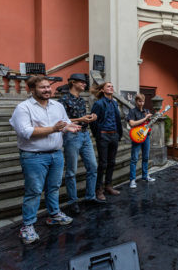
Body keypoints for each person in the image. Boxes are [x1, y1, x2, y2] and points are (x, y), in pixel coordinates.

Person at [10, 76, 80, 244]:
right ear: (32, 90)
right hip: (33, 156)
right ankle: (27, 226)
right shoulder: (23, 108)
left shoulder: (58, 105)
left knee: (54, 187)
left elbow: (66, 123)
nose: (47, 90)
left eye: (48, 87)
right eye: (42, 88)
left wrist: (70, 127)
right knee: (34, 191)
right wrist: (54, 128)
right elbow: (25, 132)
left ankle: (54, 214)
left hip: (56, 154)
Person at [59, 74, 103, 215]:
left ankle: (90, 196)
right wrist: (80, 118)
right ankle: (73, 201)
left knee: (93, 167)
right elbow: (61, 120)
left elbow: (83, 118)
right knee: (71, 171)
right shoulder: (63, 99)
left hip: (85, 135)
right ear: (73, 82)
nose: (85, 84)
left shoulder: (81, 99)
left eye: (85, 82)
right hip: (71, 136)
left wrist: (91, 118)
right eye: (82, 82)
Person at [90, 82, 123, 201]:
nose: (111, 88)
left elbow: (118, 119)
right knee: (103, 163)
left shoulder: (114, 103)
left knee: (112, 162)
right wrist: (98, 135)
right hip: (103, 136)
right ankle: (98, 189)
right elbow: (93, 121)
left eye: (112, 86)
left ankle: (108, 185)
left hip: (114, 135)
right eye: (108, 86)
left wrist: (119, 134)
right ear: (103, 90)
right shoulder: (98, 103)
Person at [127, 93, 156, 189]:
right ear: (136, 101)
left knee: (146, 157)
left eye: (143, 101)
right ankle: (132, 180)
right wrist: (145, 118)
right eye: (139, 101)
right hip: (137, 137)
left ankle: (145, 176)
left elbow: (148, 125)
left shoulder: (146, 111)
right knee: (134, 159)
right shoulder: (132, 111)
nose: (141, 103)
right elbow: (132, 124)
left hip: (146, 137)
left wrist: (151, 120)